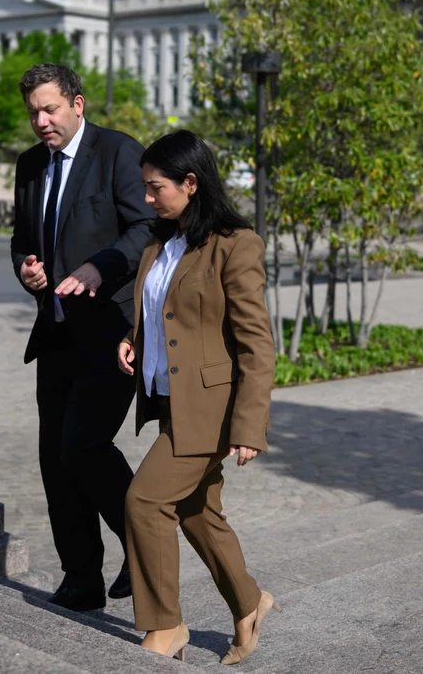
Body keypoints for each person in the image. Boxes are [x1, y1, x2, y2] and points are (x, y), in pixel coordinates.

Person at [117, 130, 280, 665]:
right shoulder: (161, 240)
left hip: (209, 410)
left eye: (155, 186)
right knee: (196, 511)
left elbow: (257, 344)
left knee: (144, 502)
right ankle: (249, 602)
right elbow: (164, 311)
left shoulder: (237, 244)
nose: (148, 198)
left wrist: (248, 427)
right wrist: (133, 341)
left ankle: (165, 626)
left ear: (191, 183)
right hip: (168, 399)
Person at [9, 63, 154, 611]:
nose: (41, 121)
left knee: (83, 445)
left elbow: (147, 228)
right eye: (33, 113)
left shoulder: (118, 153)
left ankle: (144, 547)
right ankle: (81, 577)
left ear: (78, 103)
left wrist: (101, 267)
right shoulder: (29, 166)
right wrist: (26, 267)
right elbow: (23, 238)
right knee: (55, 456)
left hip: (114, 332)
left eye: (49, 109)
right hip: (56, 333)